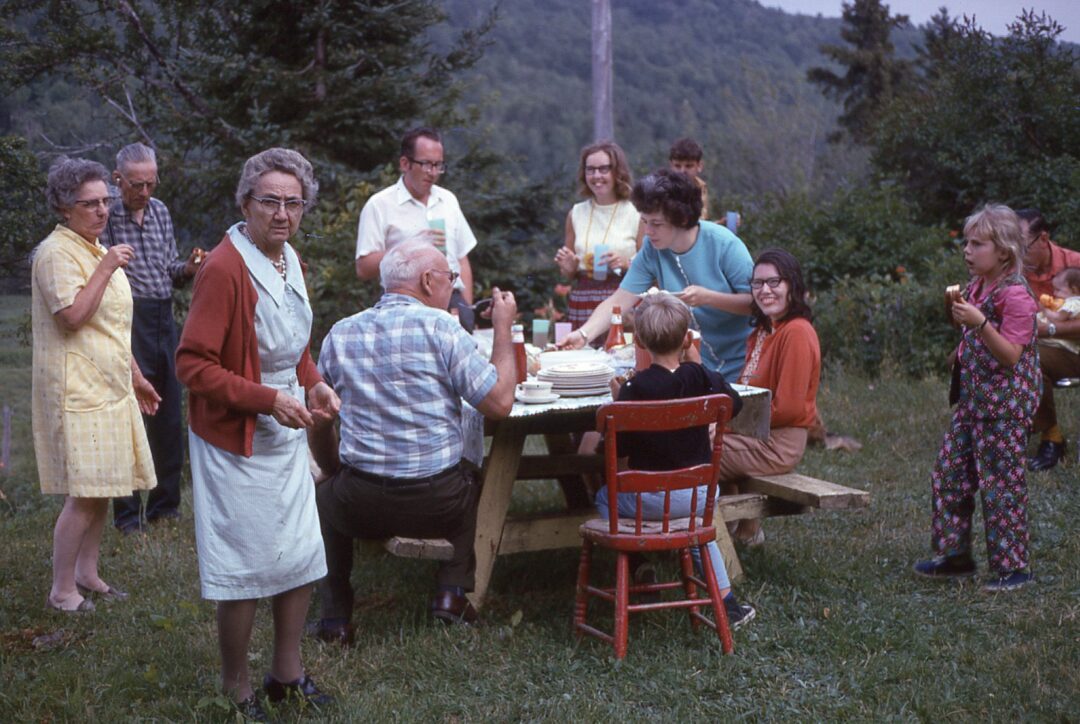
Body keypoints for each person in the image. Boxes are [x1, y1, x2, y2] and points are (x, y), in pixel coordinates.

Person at [175, 148, 340, 719]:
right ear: (245, 202)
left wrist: (312, 381)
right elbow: (192, 366)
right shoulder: (224, 268)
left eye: (293, 203)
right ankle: (235, 685)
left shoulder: (288, 259)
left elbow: (291, 342)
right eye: (269, 201)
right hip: (235, 434)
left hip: (285, 422)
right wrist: (269, 399)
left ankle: (286, 674)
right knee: (246, 565)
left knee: (299, 552)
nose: (282, 213)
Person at [310, 239, 518, 642]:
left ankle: (335, 617)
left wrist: (336, 475)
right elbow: (500, 403)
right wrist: (503, 327)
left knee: (324, 497)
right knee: (470, 479)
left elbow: (318, 422)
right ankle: (451, 593)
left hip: (361, 504)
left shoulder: (340, 333)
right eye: (450, 279)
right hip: (436, 504)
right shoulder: (443, 327)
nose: (454, 288)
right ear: (427, 281)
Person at [31, 157, 161, 612]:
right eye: (90, 204)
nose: (103, 211)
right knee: (84, 494)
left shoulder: (89, 246)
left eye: (106, 201)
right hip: (77, 387)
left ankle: (87, 573)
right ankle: (61, 590)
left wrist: (138, 377)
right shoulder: (56, 253)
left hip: (108, 382)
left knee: (103, 485)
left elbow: (109, 326)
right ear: (65, 208)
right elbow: (71, 318)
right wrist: (106, 267)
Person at [599, 292, 755, 628]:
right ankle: (729, 607)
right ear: (687, 339)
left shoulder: (634, 389)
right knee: (698, 532)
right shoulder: (702, 378)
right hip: (701, 497)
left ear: (638, 340)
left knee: (602, 496)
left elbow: (620, 448)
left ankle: (638, 558)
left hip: (649, 503)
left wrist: (618, 405)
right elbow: (734, 404)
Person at [913, 204, 1038, 592]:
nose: (967, 250)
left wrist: (980, 323)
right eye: (966, 242)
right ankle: (955, 556)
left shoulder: (1015, 295)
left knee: (1001, 484)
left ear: (1003, 251)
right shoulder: (978, 286)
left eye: (977, 244)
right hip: (974, 402)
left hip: (1005, 407)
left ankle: (1013, 568)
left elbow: (1012, 356)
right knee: (949, 474)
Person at [559, 168, 753, 380]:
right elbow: (619, 300)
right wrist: (583, 334)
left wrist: (709, 298)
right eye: (644, 222)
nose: (648, 231)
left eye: (656, 224)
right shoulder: (652, 249)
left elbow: (755, 304)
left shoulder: (724, 244)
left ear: (682, 218)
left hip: (741, 365)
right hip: (692, 366)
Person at [102, 142, 202, 534]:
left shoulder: (160, 211)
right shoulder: (106, 214)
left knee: (168, 411)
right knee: (130, 412)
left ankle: (166, 507)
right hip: (127, 315)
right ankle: (127, 515)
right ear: (118, 180)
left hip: (162, 315)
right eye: (136, 184)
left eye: (151, 183)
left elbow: (169, 270)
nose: (145, 192)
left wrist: (191, 268)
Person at [719, 249, 821, 546]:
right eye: (757, 283)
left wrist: (726, 424)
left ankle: (710, 542)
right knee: (699, 438)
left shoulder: (797, 333)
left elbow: (787, 409)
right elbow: (745, 393)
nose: (764, 290)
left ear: (792, 286)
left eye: (774, 282)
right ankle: (740, 530)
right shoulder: (764, 332)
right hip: (755, 435)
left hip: (778, 443)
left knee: (696, 451)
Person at [355, 126, 477, 331]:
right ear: (405, 163)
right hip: (404, 307)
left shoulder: (448, 200)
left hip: (453, 302)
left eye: (438, 165)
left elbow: (462, 257)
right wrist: (409, 246)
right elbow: (363, 268)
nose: (433, 173)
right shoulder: (380, 204)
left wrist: (468, 307)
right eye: (426, 164)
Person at [554, 140, 643, 329]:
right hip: (584, 299)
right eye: (590, 170)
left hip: (623, 299)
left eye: (604, 169)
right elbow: (567, 274)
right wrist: (568, 268)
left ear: (617, 172)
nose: (596, 176)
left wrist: (626, 264)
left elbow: (652, 268)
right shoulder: (576, 213)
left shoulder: (636, 212)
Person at [1017, 208, 1080, 471]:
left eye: (1022, 246)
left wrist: (1051, 329)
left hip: (1073, 349)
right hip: (1039, 346)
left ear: (1043, 239)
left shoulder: (1075, 266)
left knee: (1028, 357)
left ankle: (1047, 438)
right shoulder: (1015, 273)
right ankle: (1050, 436)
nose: (1016, 254)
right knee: (968, 355)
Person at [1036, 267, 1080, 356]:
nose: (1055, 293)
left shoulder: (1073, 303)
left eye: (1058, 290)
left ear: (1074, 290)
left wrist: (1045, 309)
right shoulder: (1066, 302)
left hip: (1059, 343)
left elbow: (1058, 318)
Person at [668, 137, 709, 220]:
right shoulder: (664, 190)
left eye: (688, 166)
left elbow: (698, 225)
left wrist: (721, 224)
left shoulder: (701, 187)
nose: (682, 171)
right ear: (671, 166)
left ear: (699, 166)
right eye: (677, 166)